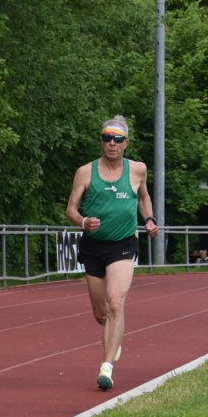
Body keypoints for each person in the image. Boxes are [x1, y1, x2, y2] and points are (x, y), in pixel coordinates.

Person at [66, 115, 158, 390]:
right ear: (102, 141)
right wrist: (83, 221)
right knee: (100, 312)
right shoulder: (85, 172)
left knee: (115, 302)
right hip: (93, 246)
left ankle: (106, 367)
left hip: (123, 244)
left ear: (126, 143)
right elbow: (71, 209)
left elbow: (143, 196)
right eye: (107, 138)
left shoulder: (137, 170)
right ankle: (113, 337)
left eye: (117, 139)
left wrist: (149, 219)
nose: (112, 144)